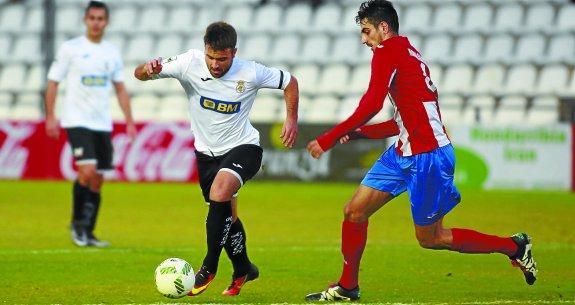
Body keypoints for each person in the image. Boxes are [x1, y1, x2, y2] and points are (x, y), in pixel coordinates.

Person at [304, 0, 537, 301]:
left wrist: (329, 137)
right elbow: (400, 121)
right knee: (354, 212)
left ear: (383, 28)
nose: (364, 39)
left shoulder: (388, 52)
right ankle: (348, 287)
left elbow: (372, 103)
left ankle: (514, 246)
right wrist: (360, 133)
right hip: (404, 152)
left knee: (431, 238)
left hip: (429, 156)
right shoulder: (408, 53)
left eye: (366, 31)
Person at [134, 21, 299, 296]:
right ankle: (244, 268)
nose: (215, 64)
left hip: (244, 147)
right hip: (206, 155)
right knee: (226, 217)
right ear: (204, 49)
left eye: (221, 59)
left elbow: (290, 81)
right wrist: (146, 68)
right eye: (211, 57)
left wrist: (291, 118)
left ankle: (208, 267)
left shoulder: (251, 71)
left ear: (233, 52)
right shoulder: (189, 62)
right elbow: (139, 74)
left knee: (220, 193)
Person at [44, 1, 137, 248]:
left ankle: (90, 231)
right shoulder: (70, 49)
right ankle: (77, 225)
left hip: (102, 123)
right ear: (85, 20)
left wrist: (129, 121)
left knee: (98, 178)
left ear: (106, 22)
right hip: (77, 120)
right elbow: (53, 82)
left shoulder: (111, 52)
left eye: (100, 19)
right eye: (92, 18)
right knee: (86, 170)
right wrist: (50, 116)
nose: (96, 23)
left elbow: (120, 87)